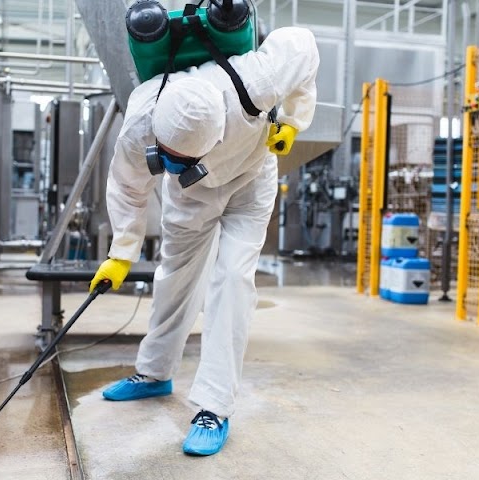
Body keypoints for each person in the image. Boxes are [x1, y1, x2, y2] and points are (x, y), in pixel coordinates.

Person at [89, 26, 319, 456]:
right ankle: (154, 372)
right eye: (169, 158)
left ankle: (214, 406)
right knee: (174, 275)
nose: (175, 163)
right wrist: (121, 252)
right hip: (190, 195)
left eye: (186, 159)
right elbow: (127, 187)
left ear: (216, 136)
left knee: (232, 281)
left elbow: (302, 44)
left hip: (250, 181)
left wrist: (292, 119)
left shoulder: (255, 82)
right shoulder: (142, 119)